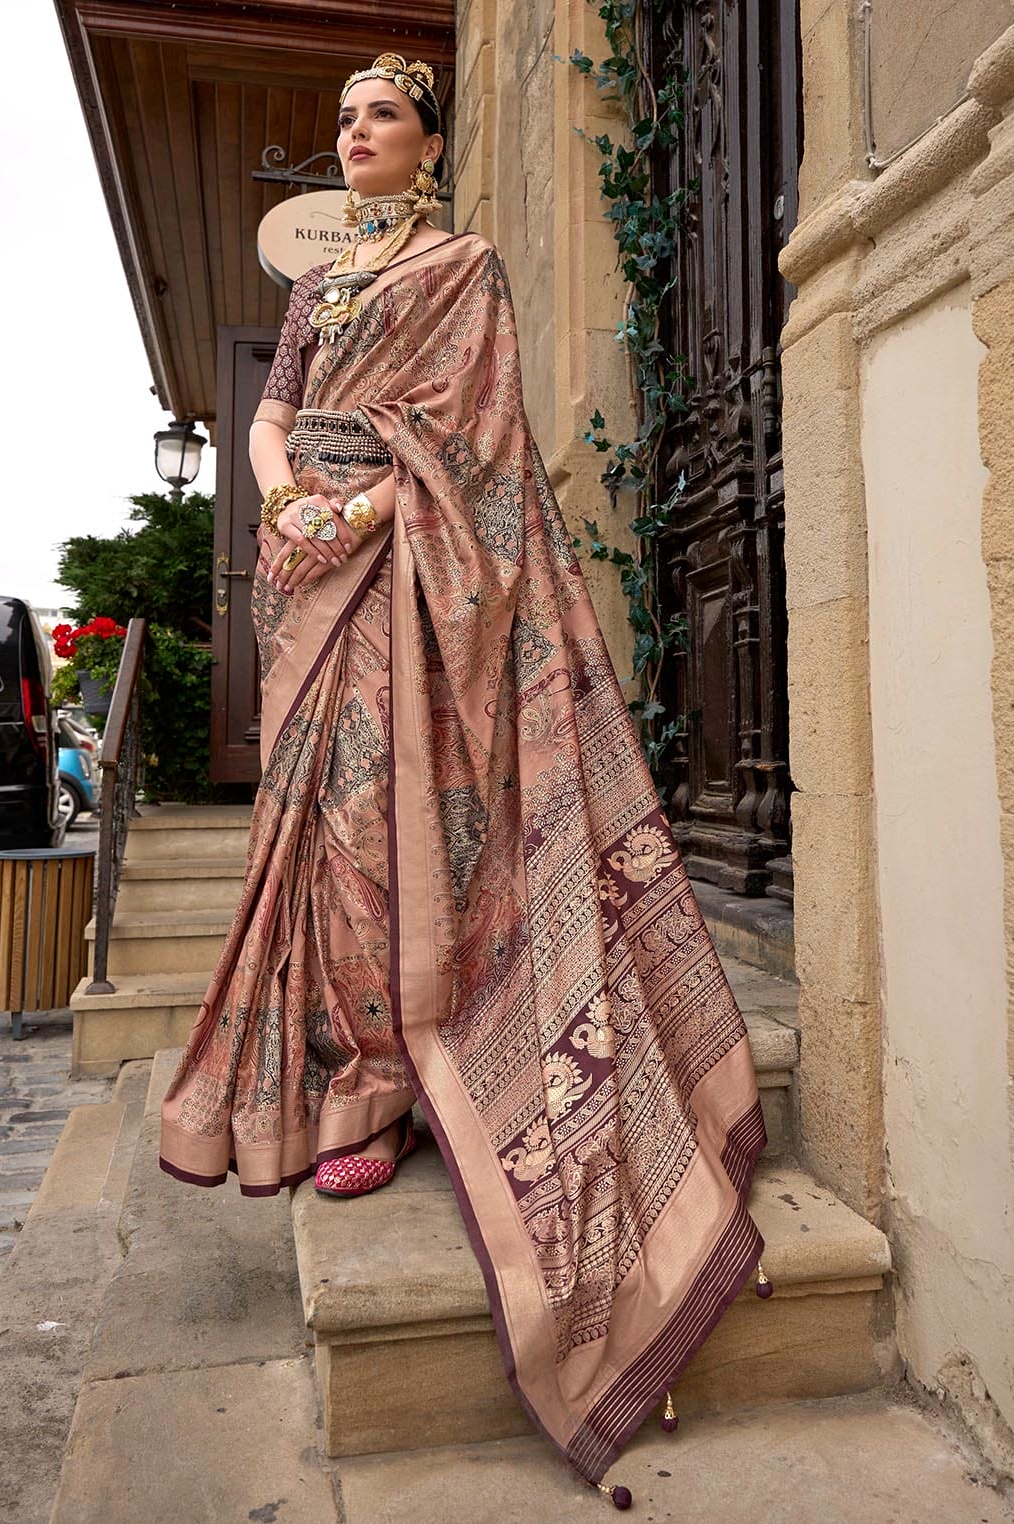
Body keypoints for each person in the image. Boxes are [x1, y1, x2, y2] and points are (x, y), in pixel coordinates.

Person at [159, 51, 772, 1511]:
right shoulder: (320, 289)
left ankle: (405, 1076)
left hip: (415, 591)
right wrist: (286, 497)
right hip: (314, 577)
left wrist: (367, 503)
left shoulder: (468, 269)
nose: (351, 136)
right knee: (316, 833)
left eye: (378, 116)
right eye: (343, 120)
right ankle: (351, 1078)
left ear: (430, 141)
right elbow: (272, 406)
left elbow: (487, 444)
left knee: (385, 823)